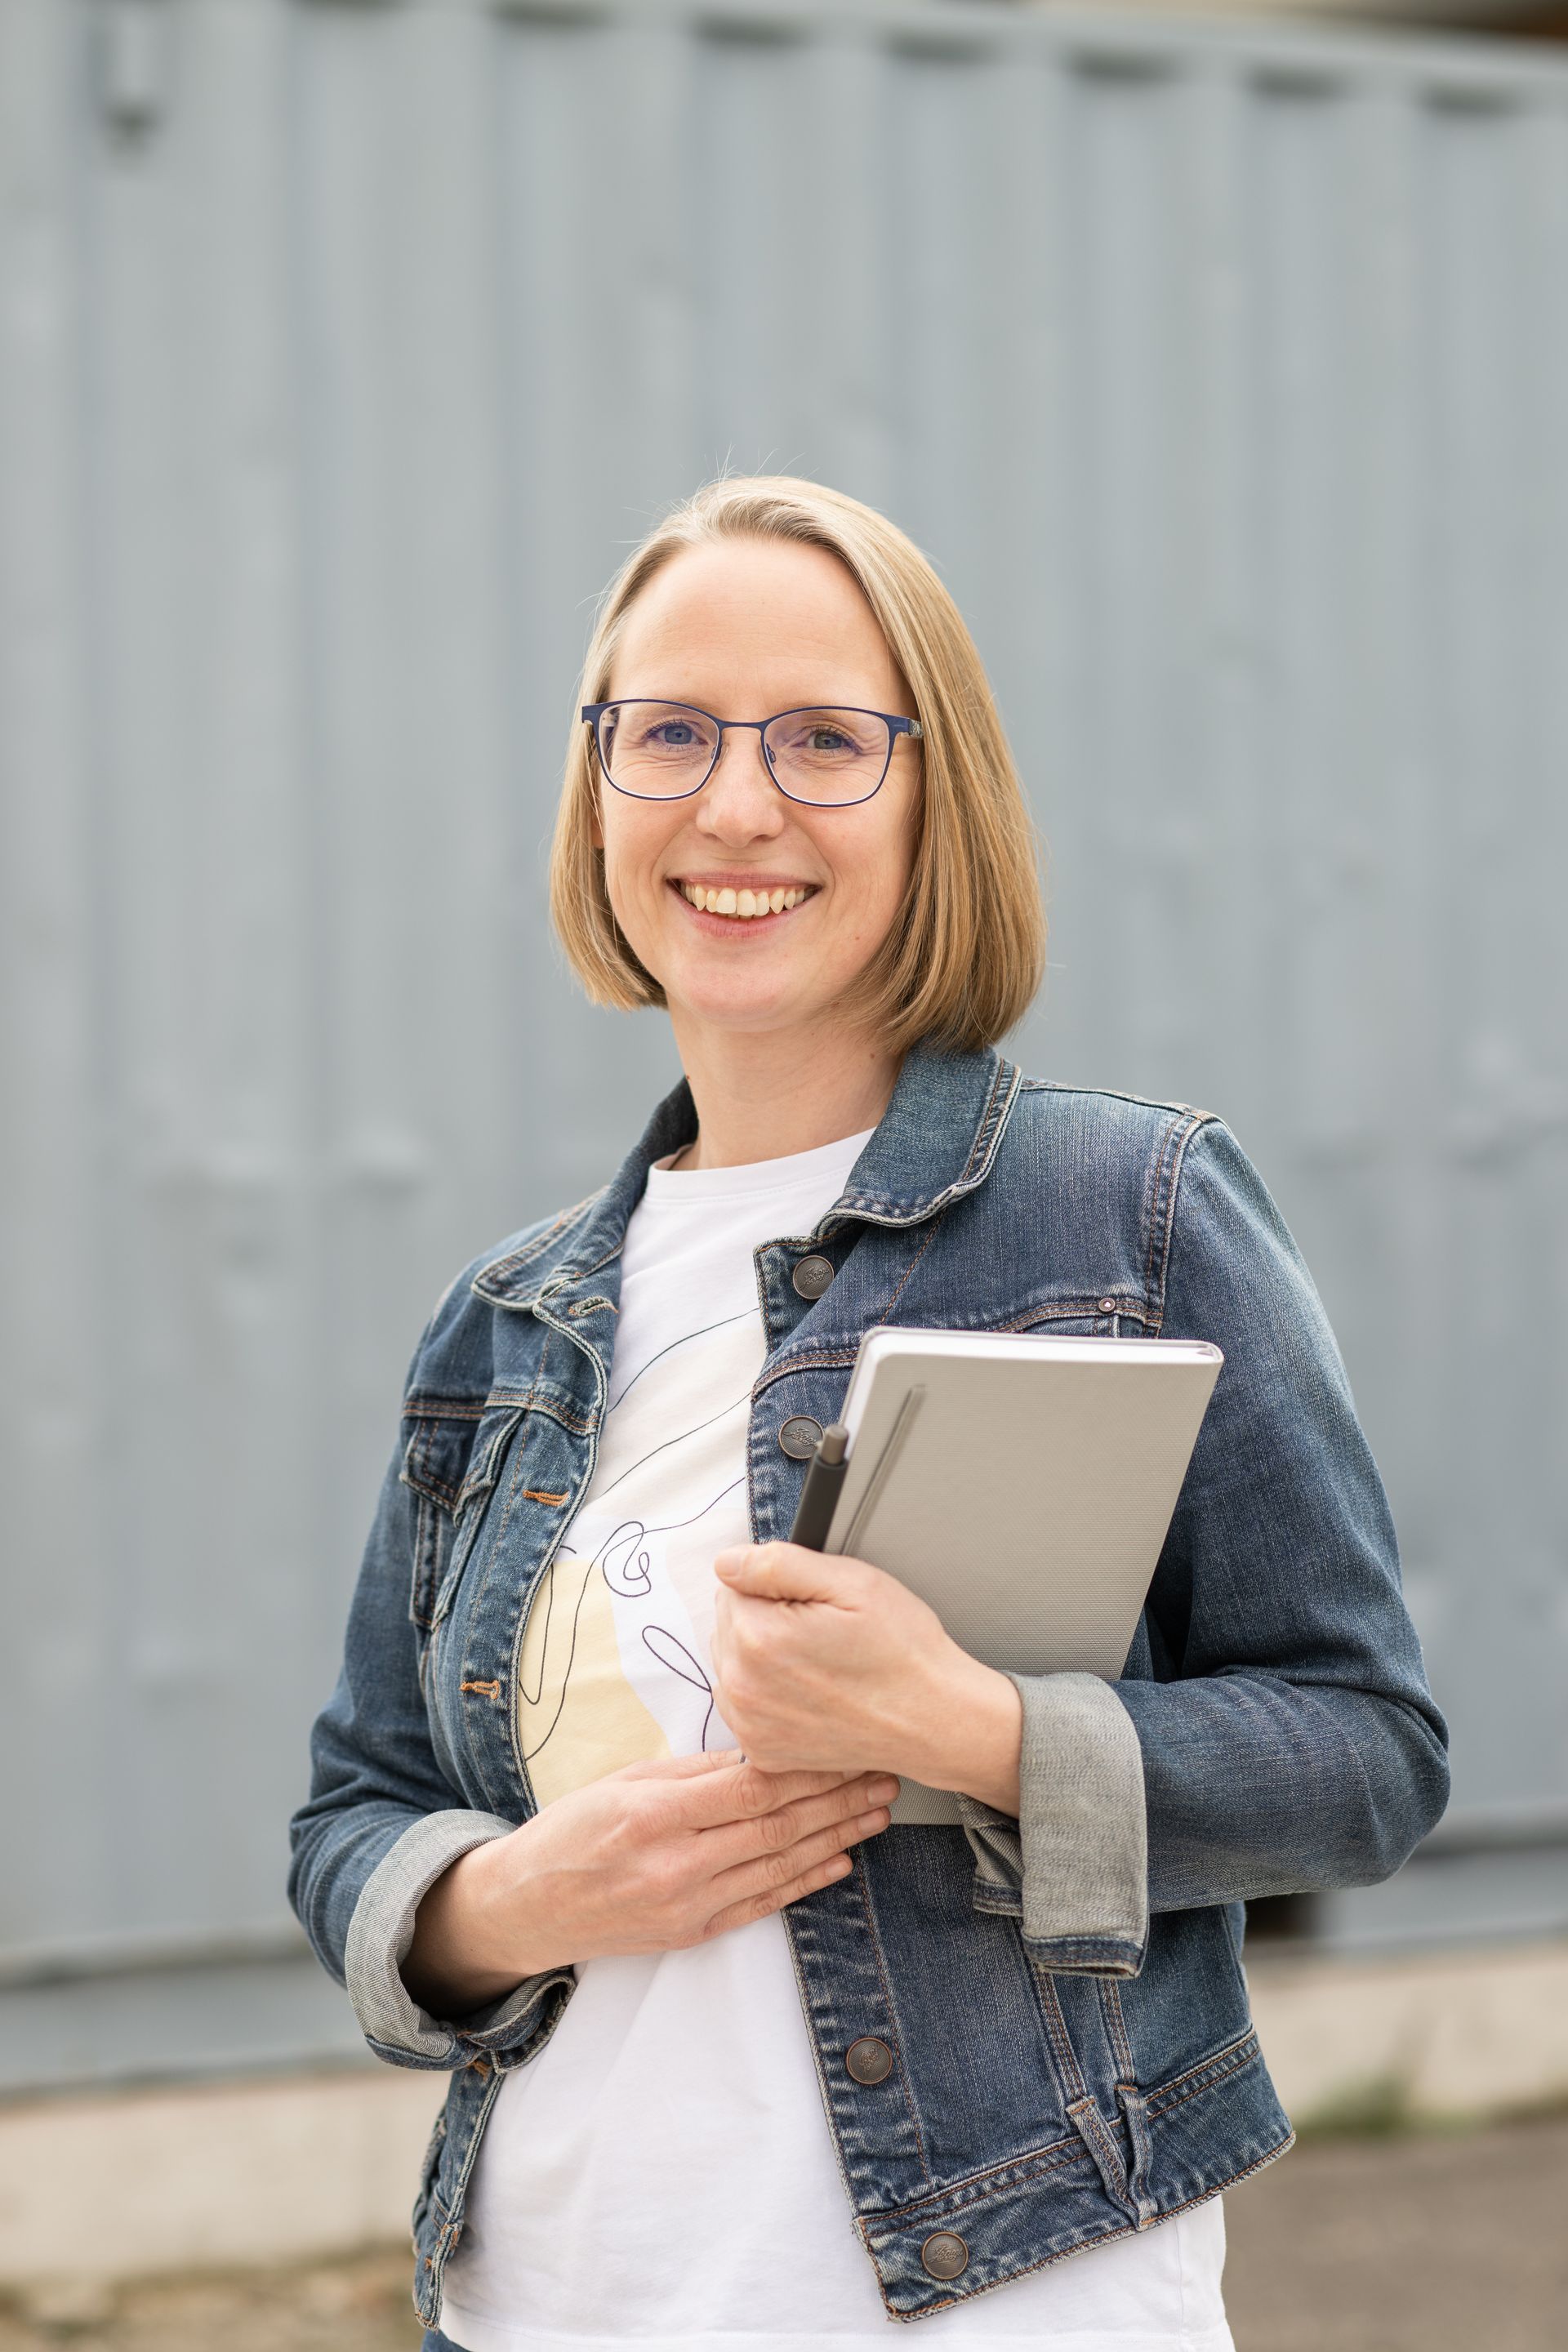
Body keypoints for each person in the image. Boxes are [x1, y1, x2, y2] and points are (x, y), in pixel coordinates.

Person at [288, 476, 1449, 2352]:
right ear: (599, 792)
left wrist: (981, 1732)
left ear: (938, 798)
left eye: (827, 739)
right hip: (540, 2308)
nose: (735, 805)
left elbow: (1369, 1752)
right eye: (667, 732)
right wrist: (500, 1902)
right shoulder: (504, 1322)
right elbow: (356, 1809)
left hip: (994, 2303)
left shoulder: (1125, 1211)